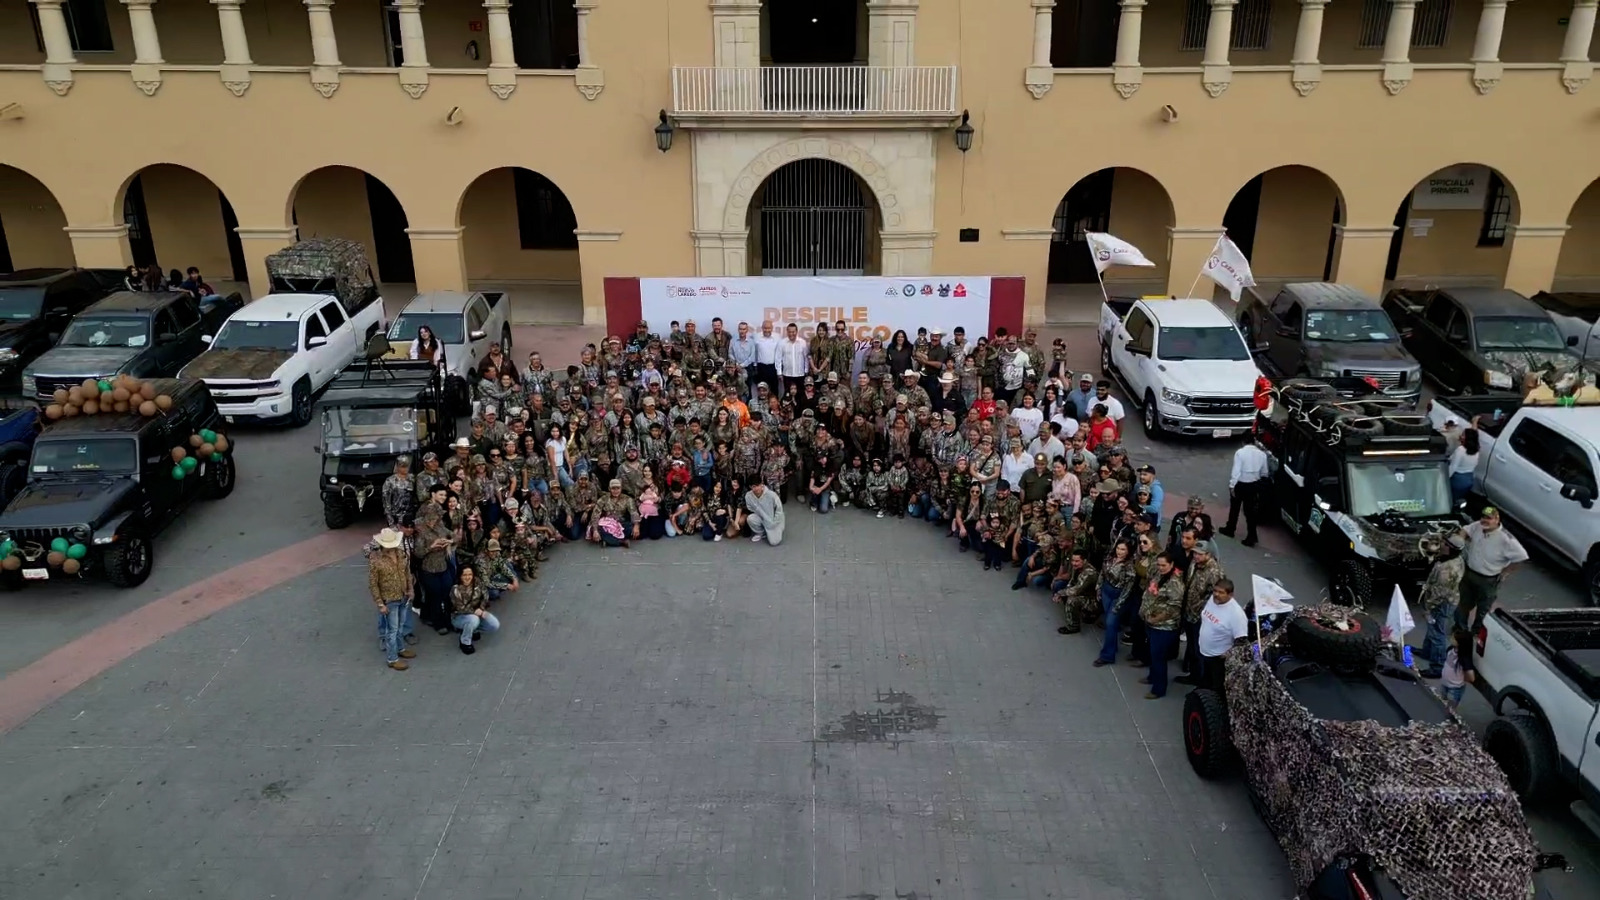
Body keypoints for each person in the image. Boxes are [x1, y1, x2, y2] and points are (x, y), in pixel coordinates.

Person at [1453, 506, 1528, 630]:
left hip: (1488, 580)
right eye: (1483, 517)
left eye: (1489, 518)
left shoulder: (1507, 540)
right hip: (1469, 574)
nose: (1484, 520)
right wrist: (1460, 541)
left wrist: (1506, 572)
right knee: (1462, 604)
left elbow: (1522, 557)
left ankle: (1477, 632)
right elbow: (1465, 531)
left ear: (1497, 519)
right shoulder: (1478, 526)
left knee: (1483, 609)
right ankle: (1460, 629)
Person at [367, 528, 417, 671]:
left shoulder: (401, 554)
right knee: (392, 630)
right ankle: (392, 658)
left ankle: (400, 649)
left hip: (403, 595)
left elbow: (407, 573)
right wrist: (379, 603)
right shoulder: (376, 561)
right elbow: (373, 584)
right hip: (389, 599)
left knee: (399, 626)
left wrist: (410, 589)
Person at [1137, 553, 1186, 699]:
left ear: (1171, 565)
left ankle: (1158, 689)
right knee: (1153, 653)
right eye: (1159, 564)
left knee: (1159, 657)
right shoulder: (1160, 575)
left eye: (1164, 565)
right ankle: (1152, 676)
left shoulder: (1175, 583)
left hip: (1163, 626)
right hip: (1151, 622)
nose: (1160, 568)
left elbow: (1173, 608)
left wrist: (1156, 619)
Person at [1175, 540, 1223, 684]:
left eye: (1199, 554)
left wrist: (1202, 612)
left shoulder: (1214, 572)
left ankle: (1199, 679)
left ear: (1208, 554)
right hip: (1189, 611)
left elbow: (1216, 597)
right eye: (1195, 553)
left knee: (1198, 649)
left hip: (1201, 617)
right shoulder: (1194, 564)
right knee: (1192, 645)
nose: (1196, 556)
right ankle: (1193, 671)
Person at [1192, 578, 1249, 693]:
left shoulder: (1236, 614)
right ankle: (1200, 695)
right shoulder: (1213, 600)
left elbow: (1241, 640)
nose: (1216, 595)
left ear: (1231, 594)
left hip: (1218, 658)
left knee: (1216, 686)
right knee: (1205, 679)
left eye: (1221, 592)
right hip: (1204, 651)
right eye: (1215, 591)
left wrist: (1226, 655)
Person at [1221, 439, 1269, 547]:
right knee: (1250, 512)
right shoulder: (1262, 455)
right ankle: (1251, 536)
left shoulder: (1240, 453)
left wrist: (1232, 485)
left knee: (1235, 508)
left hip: (1241, 484)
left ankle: (1230, 528)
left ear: (1243, 442)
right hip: (1253, 485)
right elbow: (1264, 472)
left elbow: (1236, 471)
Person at [450, 564, 499, 655]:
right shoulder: (455, 589)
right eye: (464, 575)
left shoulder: (478, 583)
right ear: (460, 576)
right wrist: (476, 613)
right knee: (473, 619)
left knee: (494, 624)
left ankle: (473, 629)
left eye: (470, 574)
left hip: (478, 611)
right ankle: (465, 642)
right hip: (459, 616)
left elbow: (485, 596)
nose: (468, 577)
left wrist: (481, 608)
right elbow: (460, 608)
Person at [1438, 629, 1476, 713]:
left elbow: (1472, 677)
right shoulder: (1451, 649)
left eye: (1454, 638)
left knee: (1450, 710)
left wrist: (1462, 679)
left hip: (1455, 688)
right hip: (1445, 683)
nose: (1451, 638)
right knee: (1441, 703)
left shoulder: (1464, 659)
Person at [745, 481, 785, 545]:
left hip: (773, 521)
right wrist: (760, 513)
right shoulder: (748, 496)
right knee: (750, 518)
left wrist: (774, 522)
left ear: (762, 485)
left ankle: (776, 530)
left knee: (774, 542)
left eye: (758, 485)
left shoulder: (772, 495)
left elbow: (779, 510)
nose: (757, 488)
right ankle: (761, 533)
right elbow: (750, 507)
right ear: (750, 487)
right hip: (762, 518)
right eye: (754, 487)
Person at [1448, 427, 1480, 507]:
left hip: (1458, 479)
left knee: (1449, 500)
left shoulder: (1460, 450)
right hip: (1469, 479)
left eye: (1463, 435)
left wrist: (1444, 478)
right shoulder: (1476, 449)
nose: (1460, 436)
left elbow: (1453, 467)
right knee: (1458, 500)